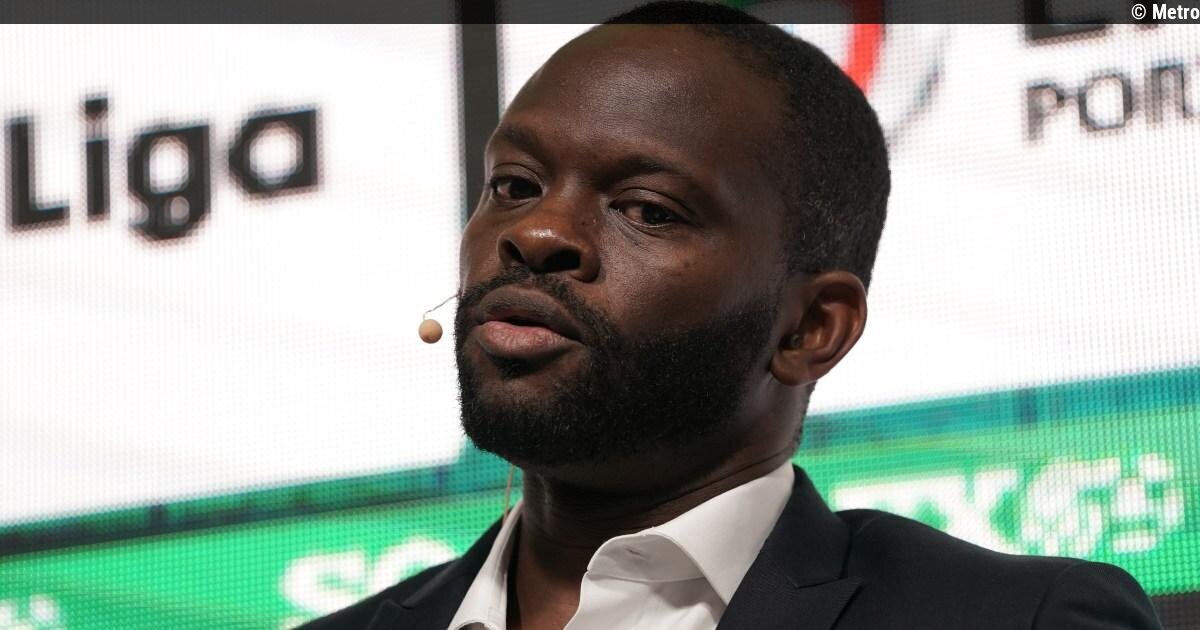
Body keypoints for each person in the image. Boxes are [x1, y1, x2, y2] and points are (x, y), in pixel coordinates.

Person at [302, 3, 1161, 628]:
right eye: (514, 186)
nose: (536, 233)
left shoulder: (1017, 618)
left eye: (646, 209)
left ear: (811, 328)